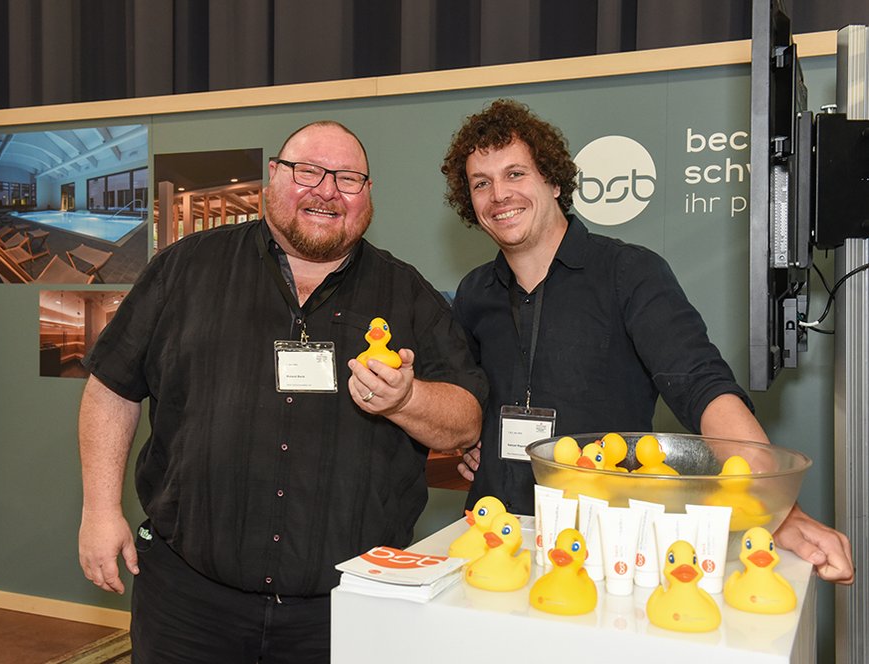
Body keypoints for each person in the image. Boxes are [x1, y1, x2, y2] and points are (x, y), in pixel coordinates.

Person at [78, 120, 487, 663]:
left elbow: (466, 420)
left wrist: (407, 400)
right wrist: (100, 510)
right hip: (187, 602)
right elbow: (112, 387)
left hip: (346, 608)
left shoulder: (407, 294)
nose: (327, 190)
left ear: (367, 194)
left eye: (347, 178)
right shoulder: (185, 269)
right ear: (273, 177)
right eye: (308, 171)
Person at [441, 98, 854, 584]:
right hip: (494, 538)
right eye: (481, 183)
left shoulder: (629, 273)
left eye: (515, 174)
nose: (499, 195)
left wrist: (780, 510)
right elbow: (462, 400)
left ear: (553, 181)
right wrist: (470, 442)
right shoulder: (474, 293)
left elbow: (702, 387)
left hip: (604, 549)